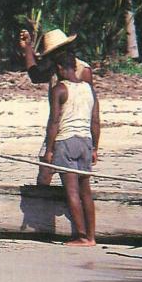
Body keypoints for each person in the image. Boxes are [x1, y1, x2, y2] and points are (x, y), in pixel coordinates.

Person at [18, 28, 94, 186]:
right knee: (45, 173)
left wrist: (94, 145)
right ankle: (41, 207)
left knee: (76, 183)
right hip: (58, 131)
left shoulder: (82, 70)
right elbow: (35, 76)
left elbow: (92, 108)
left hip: (73, 131)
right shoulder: (55, 68)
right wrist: (27, 49)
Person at [44, 49, 100, 246]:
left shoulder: (59, 89)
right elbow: (95, 121)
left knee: (72, 192)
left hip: (66, 141)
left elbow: (54, 122)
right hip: (85, 141)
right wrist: (95, 148)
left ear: (59, 68)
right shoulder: (89, 89)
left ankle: (81, 236)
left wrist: (49, 150)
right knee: (86, 191)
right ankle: (92, 237)